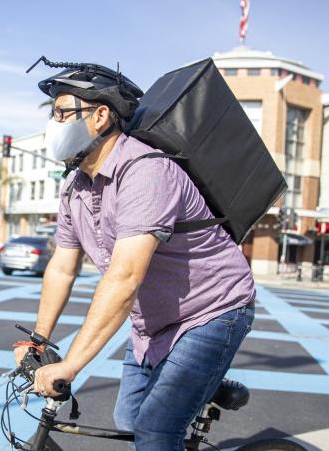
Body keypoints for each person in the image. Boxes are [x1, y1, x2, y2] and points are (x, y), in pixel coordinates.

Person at [13, 61, 256, 451]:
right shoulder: (74, 187)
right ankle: (197, 383)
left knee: (156, 434)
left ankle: (202, 375)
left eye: (62, 113)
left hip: (211, 312)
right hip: (153, 323)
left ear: (100, 116)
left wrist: (72, 364)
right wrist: (39, 342)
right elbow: (61, 267)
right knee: (128, 421)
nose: (54, 124)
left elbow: (124, 278)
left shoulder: (146, 170)